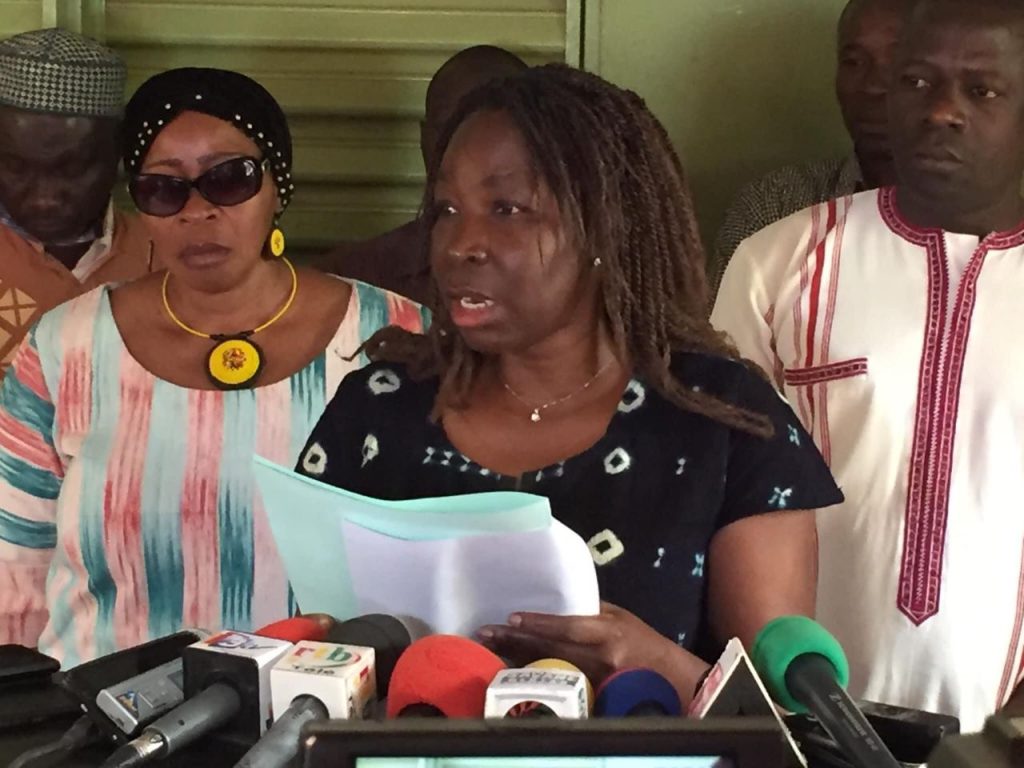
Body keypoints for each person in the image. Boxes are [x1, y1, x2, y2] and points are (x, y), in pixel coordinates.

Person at [295, 63, 843, 705]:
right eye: (446, 209)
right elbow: (320, 666)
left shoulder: (725, 423)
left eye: (507, 209)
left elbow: (781, 724)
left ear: (605, 227)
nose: (461, 244)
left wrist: (656, 663)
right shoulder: (377, 410)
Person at [0, 67, 426, 666]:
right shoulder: (64, 346)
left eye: (229, 179)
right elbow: (15, 568)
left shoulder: (397, 335)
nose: (197, 212)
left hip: (324, 709)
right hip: (99, 714)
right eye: (163, 189)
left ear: (278, 184)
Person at [711, 0, 1024, 731]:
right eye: (917, 81)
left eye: (982, 89)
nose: (941, 111)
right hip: (795, 721)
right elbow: (712, 490)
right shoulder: (778, 264)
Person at [709, 0, 911, 298]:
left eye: (897, 61)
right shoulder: (774, 208)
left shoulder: (979, 225)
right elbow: (719, 328)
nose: (872, 85)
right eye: (854, 62)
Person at [317, 45, 527, 305]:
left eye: (491, 130)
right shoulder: (354, 285)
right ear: (424, 138)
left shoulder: (567, 282)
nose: (466, 146)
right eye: (450, 126)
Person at [0, 28, 153, 374]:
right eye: (16, 167)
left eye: (72, 169)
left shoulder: (166, 256)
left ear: (118, 154)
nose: (43, 197)